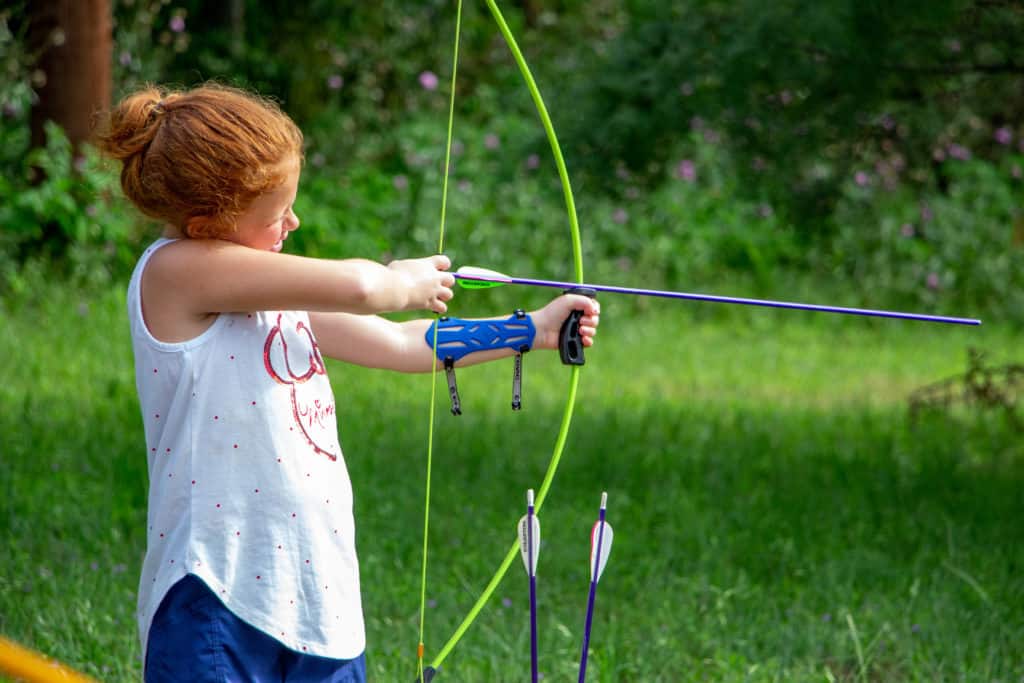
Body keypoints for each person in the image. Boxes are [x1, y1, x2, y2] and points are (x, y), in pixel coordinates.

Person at [96, 83, 600, 682]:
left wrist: (532, 330)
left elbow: (398, 343)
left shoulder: (277, 295)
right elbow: (365, 291)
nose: (293, 221)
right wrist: (399, 281)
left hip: (317, 594)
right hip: (215, 592)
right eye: (276, 214)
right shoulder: (172, 274)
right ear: (207, 224)